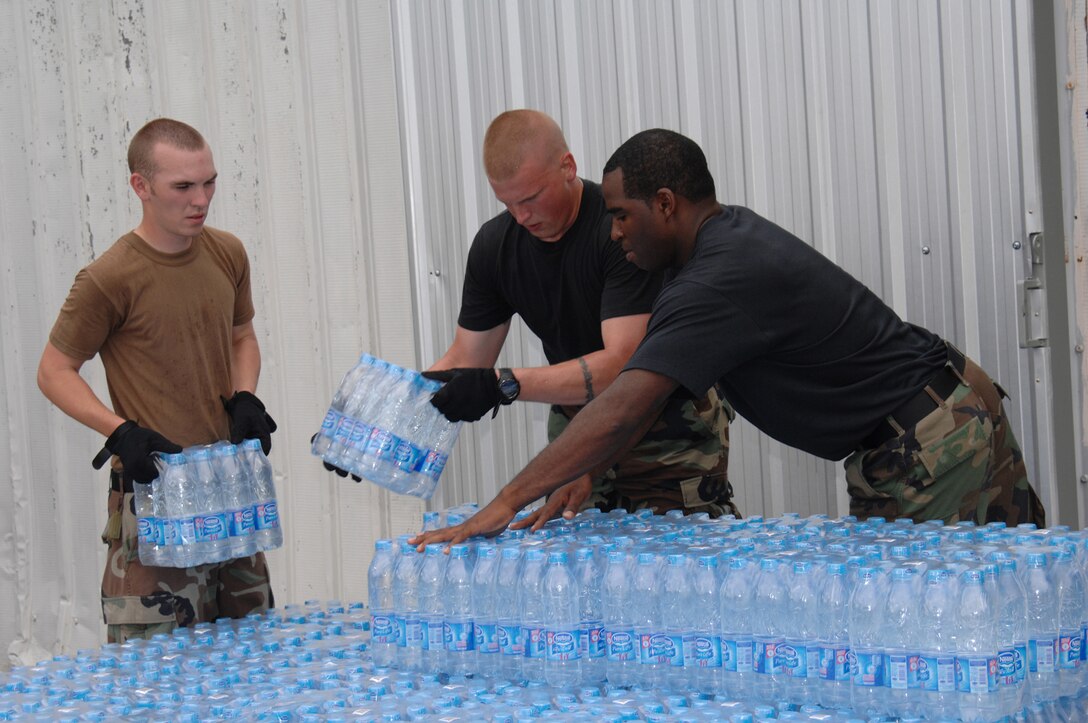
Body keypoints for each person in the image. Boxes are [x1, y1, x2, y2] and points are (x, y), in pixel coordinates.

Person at [412, 128, 1045, 547]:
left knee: (940, 638)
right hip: (934, 419)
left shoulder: (714, 280)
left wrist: (505, 502)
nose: (613, 233)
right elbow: (646, 402)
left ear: (664, 204)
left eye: (621, 215)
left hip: (933, 443)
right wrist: (590, 471)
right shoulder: (716, 249)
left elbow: (626, 399)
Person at [413, 110, 735, 523]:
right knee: (584, 571)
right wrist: (383, 423)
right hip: (579, 428)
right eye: (507, 203)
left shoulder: (623, 228)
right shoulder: (496, 246)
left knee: (675, 567)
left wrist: (505, 384)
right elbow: (464, 360)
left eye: (530, 198)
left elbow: (624, 366)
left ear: (568, 167)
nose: (521, 216)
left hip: (666, 431)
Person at [37, 118, 278, 643]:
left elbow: (242, 335)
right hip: (155, 497)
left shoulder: (227, 252)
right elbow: (54, 371)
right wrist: (120, 429)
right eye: (183, 187)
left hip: (228, 492)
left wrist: (245, 397)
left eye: (209, 182)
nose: (201, 199)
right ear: (141, 187)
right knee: (157, 683)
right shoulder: (109, 277)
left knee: (251, 665)